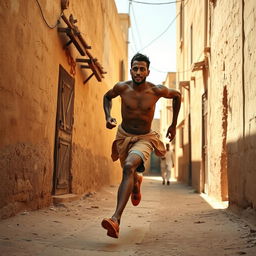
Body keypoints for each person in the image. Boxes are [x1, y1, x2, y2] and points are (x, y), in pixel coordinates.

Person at [101, 53, 181, 238]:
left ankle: (115, 219)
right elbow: (107, 97)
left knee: (129, 166)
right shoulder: (122, 87)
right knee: (130, 172)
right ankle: (137, 183)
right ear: (131, 70)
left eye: (142, 69)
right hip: (124, 136)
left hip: (145, 137)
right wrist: (107, 117)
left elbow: (177, 96)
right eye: (135, 68)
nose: (138, 72)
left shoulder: (156, 91)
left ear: (148, 71)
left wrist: (173, 124)